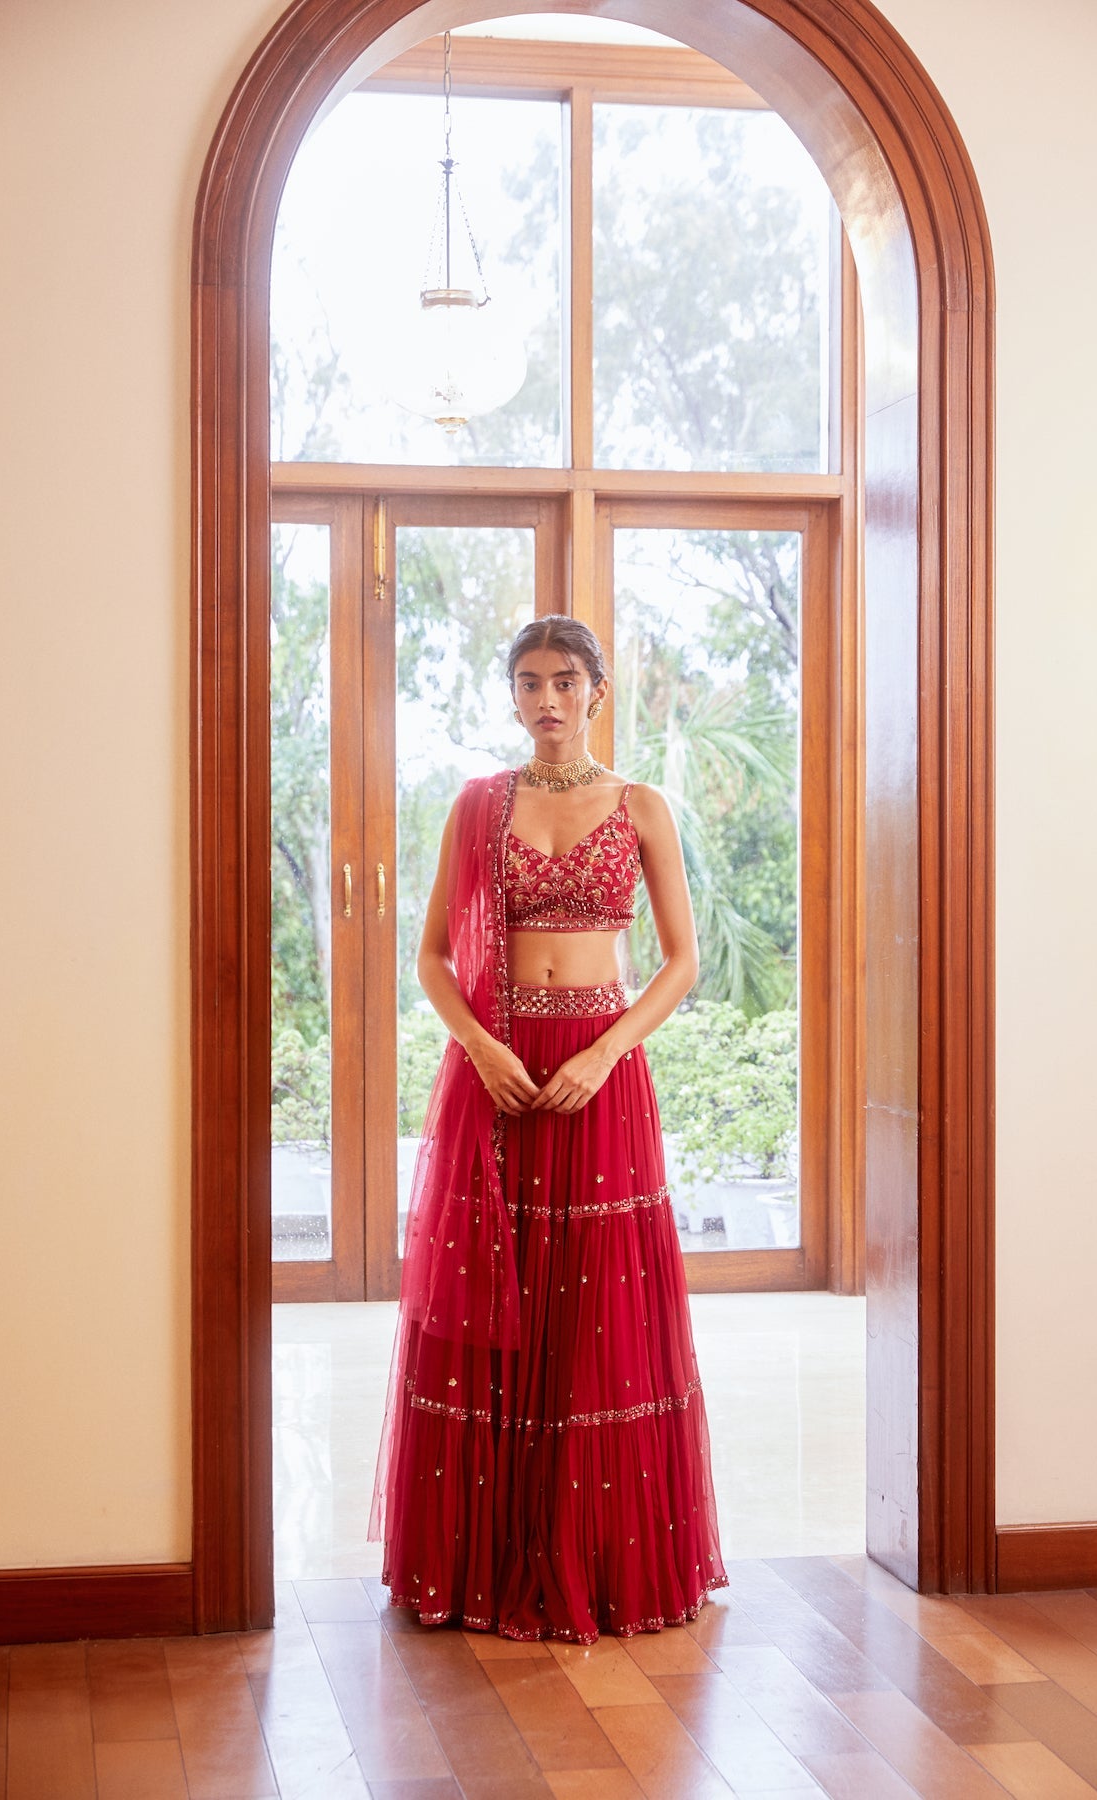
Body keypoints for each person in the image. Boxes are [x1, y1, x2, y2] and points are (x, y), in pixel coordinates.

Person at [369, 614, 726, 1642]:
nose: (547, 699)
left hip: (596, 1081)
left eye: (566, 679)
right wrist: (482, 1049)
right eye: (529, 682)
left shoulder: (642, 807)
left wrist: (604, 1053)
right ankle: (480, 1564)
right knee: (498, 1303)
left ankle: (597, 1562)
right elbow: (433, 956)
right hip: (502, 1075)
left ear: (598, 691)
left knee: (594, 1321)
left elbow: (680, 963)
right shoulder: (479, 805)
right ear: (514, 697)